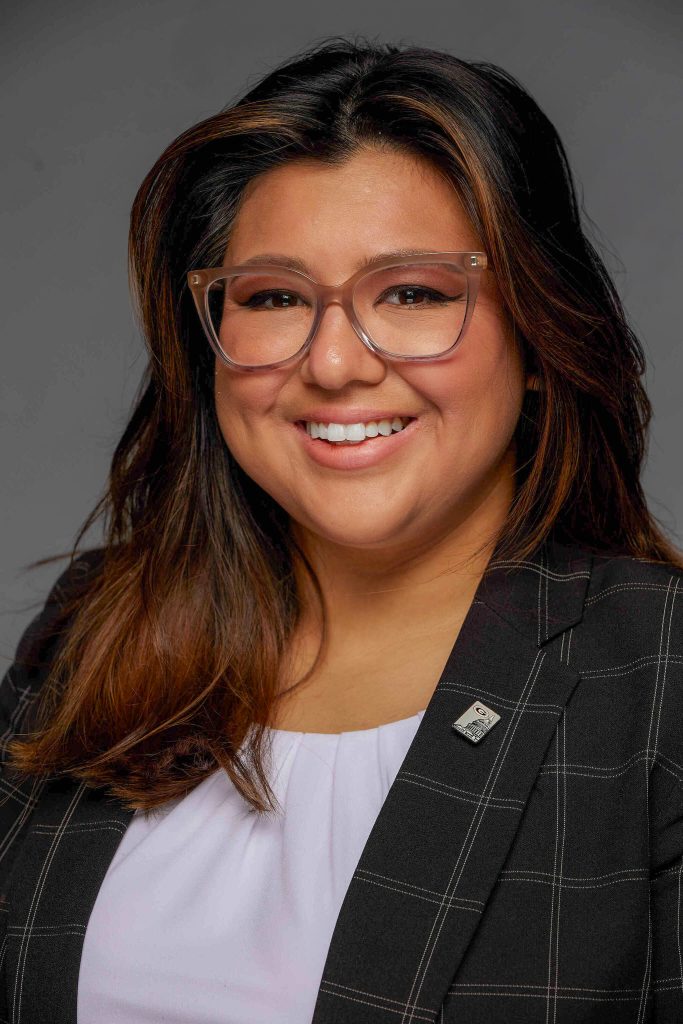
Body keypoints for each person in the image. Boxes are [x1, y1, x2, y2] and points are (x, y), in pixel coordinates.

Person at [1, 35, 682, 1024]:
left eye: (411, 293)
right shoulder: (93, 632)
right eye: (273, 298)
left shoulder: (656, 672)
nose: (331, 364)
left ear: (538, 335)